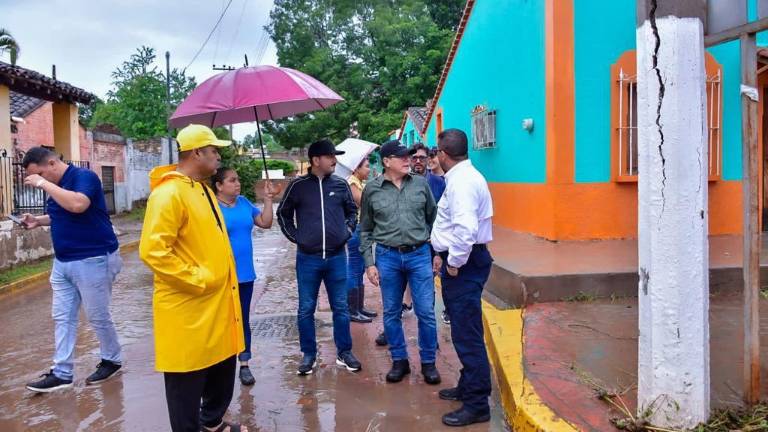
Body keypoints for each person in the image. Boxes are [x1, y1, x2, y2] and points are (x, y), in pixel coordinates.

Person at [139, 124, 248, 432]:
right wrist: (199, 279)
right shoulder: (168, 194)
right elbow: (153, 251)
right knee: (186, 382)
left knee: (220, 371)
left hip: (217, 303)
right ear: (197, 152)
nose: (218, 157)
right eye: (214, 151)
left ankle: (212, 423)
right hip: (189, 305)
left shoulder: (203, 190)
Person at [21, 147, 123, 393]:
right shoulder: (57, 185)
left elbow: (77, 204)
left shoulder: (84, 177)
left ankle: (112, 360)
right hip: (63, 262)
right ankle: (62, 372)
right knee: (62, 317)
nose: (39, 181)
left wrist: (44, 184)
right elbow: (60, 213)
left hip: (93, 259)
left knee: (97, 316)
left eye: (40, 174)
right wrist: (38, 221)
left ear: (52, 163)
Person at [277, 138, 362, 376]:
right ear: (316, 160)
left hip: (337, 258)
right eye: (330, 156)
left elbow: (352, 211)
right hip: (308, 259)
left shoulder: (341, 184)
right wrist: (297, 237)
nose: (335, 160)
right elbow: (283, 214)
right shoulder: (298, 186)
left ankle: (344, 352)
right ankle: (309, 355)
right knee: (306, 309)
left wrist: (347, 232)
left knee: (341, 308)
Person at [359, 140, 440, 385]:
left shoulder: (420, 184)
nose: (409, 160)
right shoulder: (372, 190)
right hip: (388, 256)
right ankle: (399, 360)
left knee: (426, 312)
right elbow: (366, 229)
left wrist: (437, 252)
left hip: (419, 254)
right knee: (392, 311)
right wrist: (369, 263)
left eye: (409, 156)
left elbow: (434, 219)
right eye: (402, 157)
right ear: (386, 161)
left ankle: (428, 362)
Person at [431, 129, 494, 427]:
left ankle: (477, 404)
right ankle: (468, 386)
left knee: (467, 335)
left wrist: (454, 262)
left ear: (444, 154)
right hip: (466, 261)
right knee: (464, 329)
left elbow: (465, 230)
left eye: (436, 151)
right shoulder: (461, 178)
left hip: (464, 265)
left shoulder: (463, 182)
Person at [212, 167, 279, 386]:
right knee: (221, 322)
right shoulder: (211, 208)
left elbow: (265, 223)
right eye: (232, 180)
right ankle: (219, 365)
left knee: (242, 320)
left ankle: (244, 364)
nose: (237, 183)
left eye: (238, 179)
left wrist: (268, 199)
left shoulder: (243, 203)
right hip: (222, 276)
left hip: (245, 275)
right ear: (219, 186)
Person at [346, 157, 376, 323]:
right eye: (366, 166)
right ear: (356, 168)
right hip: (356, 229)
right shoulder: (352, 182)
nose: (369, 169)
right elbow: (363, 203)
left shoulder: (358, 182)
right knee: (354, 268)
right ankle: (352, 310)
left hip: (362, 228)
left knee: (359, 268)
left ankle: (359, 307)